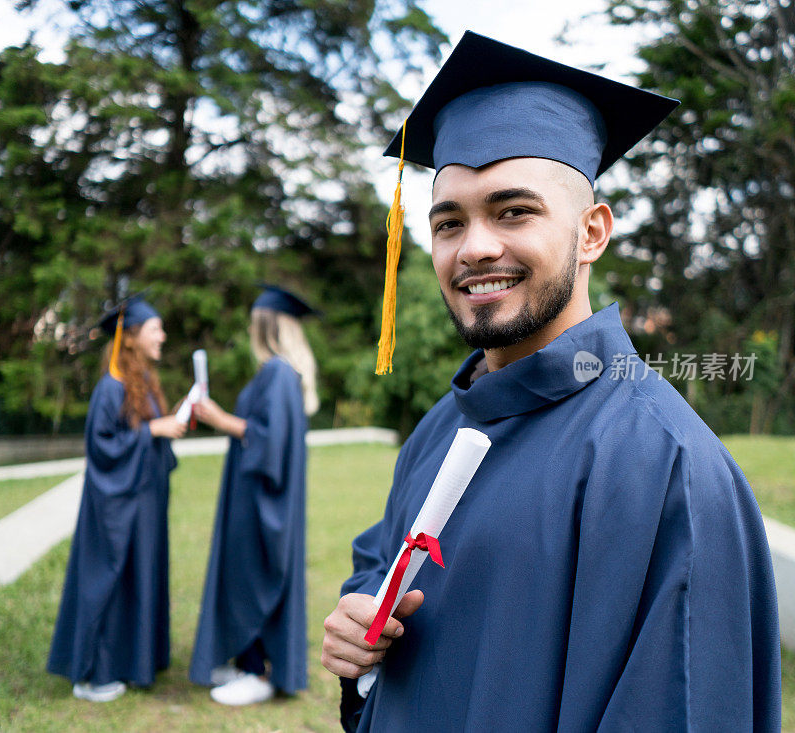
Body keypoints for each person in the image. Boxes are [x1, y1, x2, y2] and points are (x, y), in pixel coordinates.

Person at [321, 31, 781, 731]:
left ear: (593, 231)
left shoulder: (665, 468)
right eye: (449, 222)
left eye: (514, 211)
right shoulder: (442, 427)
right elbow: (379, 570)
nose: (475, 246)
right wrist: (361, 632)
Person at [47, 295, 186, 702]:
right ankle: (93, 673)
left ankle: (134, 662)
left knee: (138, 578)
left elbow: (147, 435)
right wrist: (152, 432)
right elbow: (103, 448)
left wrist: (168, 425)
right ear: (131, 338)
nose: (163, 335)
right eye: (155, 328)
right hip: (116, 508)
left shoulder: (143, 382)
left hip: (142, 505)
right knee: (111, 578)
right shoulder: (111, 387)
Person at [189, 285, 319, 706]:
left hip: (265, 497)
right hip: (252, 492)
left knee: (256, 573)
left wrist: (220, 418)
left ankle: (258, 671)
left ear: (264, 326)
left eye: (251, 322)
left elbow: (272, 442)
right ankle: (245, 659)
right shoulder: (275, 373)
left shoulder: (279, 373)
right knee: (244, 572)